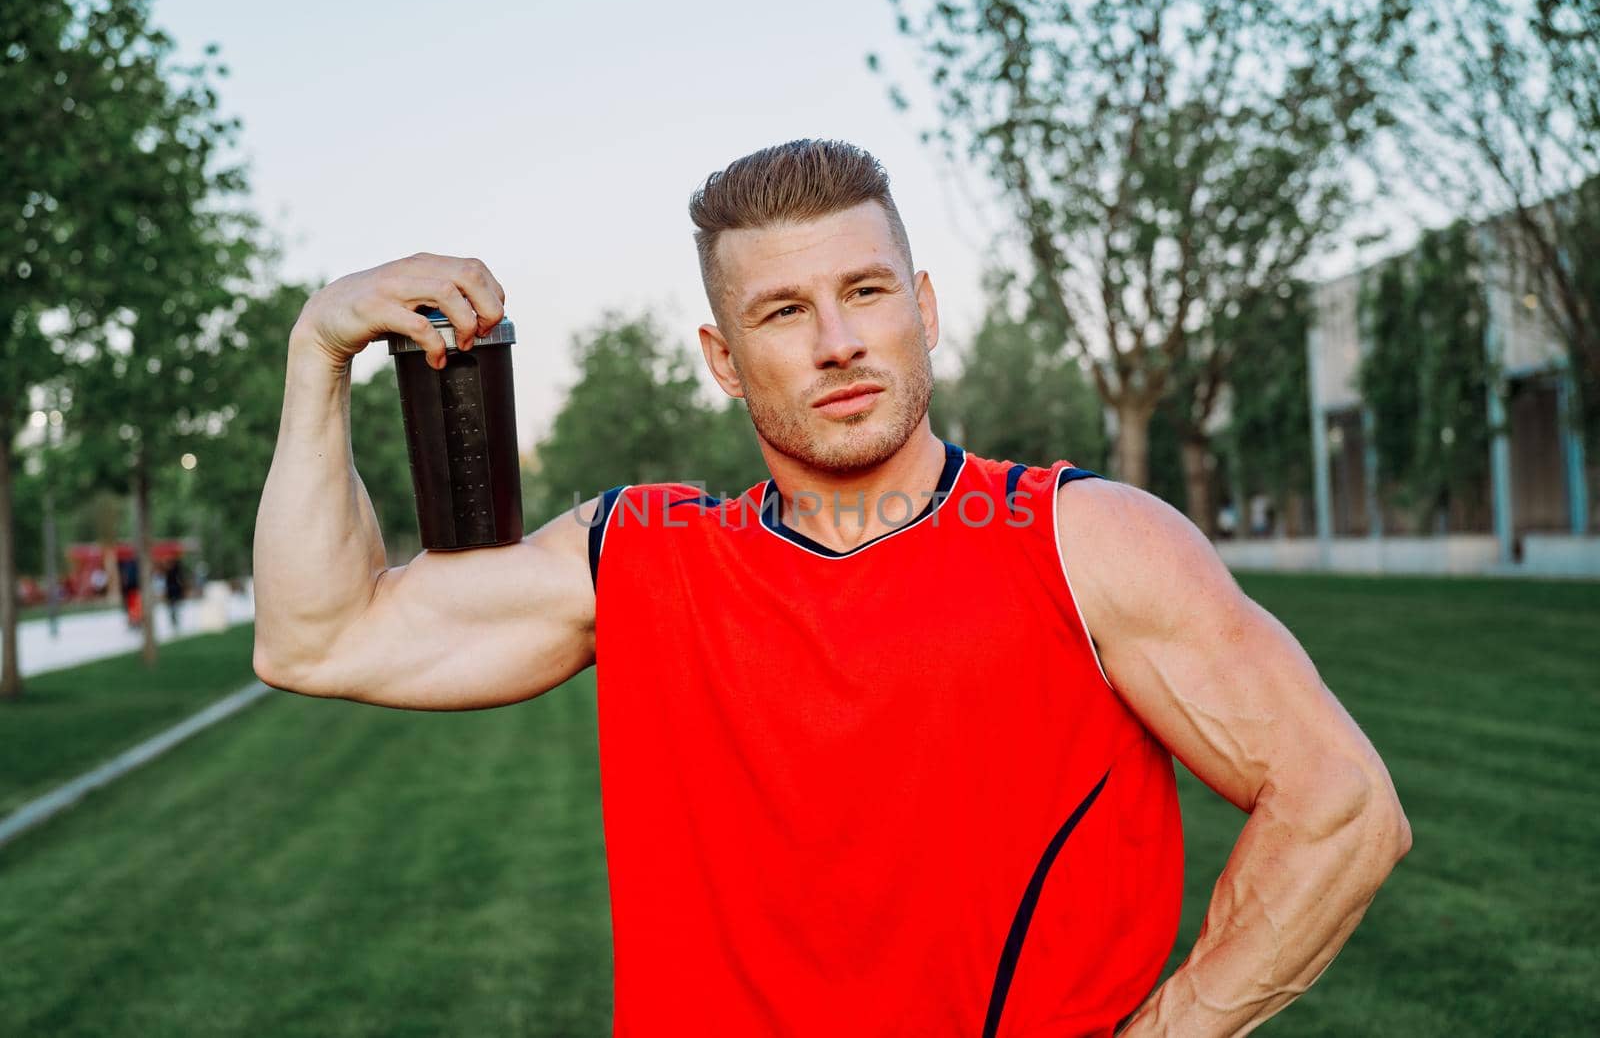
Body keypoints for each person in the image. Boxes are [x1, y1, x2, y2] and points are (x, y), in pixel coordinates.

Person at [252, 140, 1410, 1036]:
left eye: (865, 292)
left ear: (926, 308)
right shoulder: (639, 557)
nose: (838, 340)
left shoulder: (1083, 539)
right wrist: (319, 351)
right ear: (722, 360)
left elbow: (1340, 804)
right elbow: (318, 635)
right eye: (784, 311)